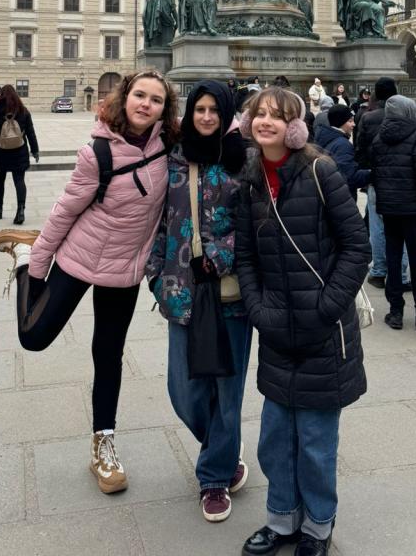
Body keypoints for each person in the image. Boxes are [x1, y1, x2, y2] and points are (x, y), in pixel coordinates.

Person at [0, 70, 178, 493]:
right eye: (140, 95)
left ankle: (103, 445)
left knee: (108, 354)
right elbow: (64, 212)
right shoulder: (98, 152)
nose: (146, 104)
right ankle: (23, 255)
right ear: (125, 97)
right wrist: (38, 266)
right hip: (79, 258)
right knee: (33, 337)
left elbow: (219, 123)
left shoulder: (169, 145)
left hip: (123, 270)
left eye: (156, 100)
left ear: (165, 110)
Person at [235, 87, 370, 556]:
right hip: (276, 328)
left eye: (278, 115)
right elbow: (246, 256)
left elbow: (357, 246)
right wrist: (258, 308)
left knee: (315, 440)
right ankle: (281, 520)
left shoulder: (320, 171)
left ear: (295, 126)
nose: (266, 121)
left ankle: (316, 526)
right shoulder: (251, 178)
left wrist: (326, 306)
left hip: (323, 332)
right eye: (259, 114)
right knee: (274, 438)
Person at [146, 81, 250, 523]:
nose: (207, 117)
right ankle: (224, 449)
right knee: (183, 390)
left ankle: (214, 477)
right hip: (180, 289)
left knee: (227, 391)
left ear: (226, 115)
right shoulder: (173, 157)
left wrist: (222, 256)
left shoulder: (244, 159)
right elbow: (157, 220)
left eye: (214, 110)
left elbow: (256, 223)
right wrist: (156, 275)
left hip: (229, 292)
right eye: (200, 109)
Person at [369, 94, 416, 332]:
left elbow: (376, 174)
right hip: (412, 208)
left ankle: (395, 311)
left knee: (393, 257)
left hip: (389, 207)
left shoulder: (379, 138)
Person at [355, 77, 410, 290]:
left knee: (377, 227)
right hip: (403, 181)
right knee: (401, 227)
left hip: (376, 178)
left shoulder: (368, 117)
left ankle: (378, 271)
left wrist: (367, 174)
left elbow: (360, 149)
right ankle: (401, 275)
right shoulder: (408, 118)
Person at [0, 84, 39, 225]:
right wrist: (35, 150)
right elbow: (31, 133)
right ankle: (20, 210)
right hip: (19, 151)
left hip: (0, 152)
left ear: (1, 96)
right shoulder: (23, 111)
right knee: (19, 180)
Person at [318, 105, 371, 202]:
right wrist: (371, 173)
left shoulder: (326, 138)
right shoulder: (343, 145)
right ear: (340, 122)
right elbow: (349, 178)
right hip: (343, 199)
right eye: (350, 121)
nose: (354, 124)